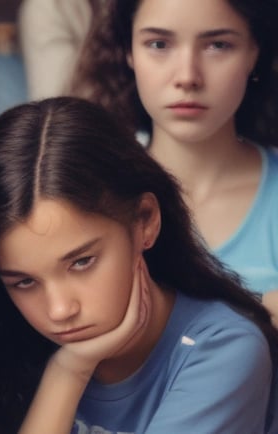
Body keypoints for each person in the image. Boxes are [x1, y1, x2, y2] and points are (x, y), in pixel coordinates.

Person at [0, 97, 278, 433]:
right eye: (23, 282)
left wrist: (68, 372)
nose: (60, 309)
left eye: (82, 262)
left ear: (145, 221)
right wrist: (68, 371)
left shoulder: (222, 351)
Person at [74, 0, 278, 308]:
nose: (187, 76)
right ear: (128, 50)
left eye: (218, 45)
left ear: (255, 52)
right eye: (158, 44)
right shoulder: (84, 191)